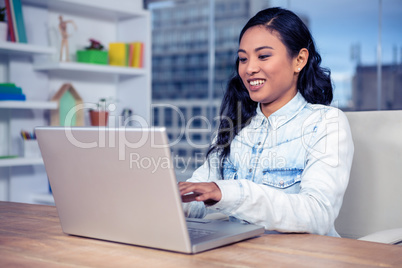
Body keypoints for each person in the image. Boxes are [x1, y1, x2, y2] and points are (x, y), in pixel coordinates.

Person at [179, 7, 354, 237]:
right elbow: (199, 194)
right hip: (243, 254)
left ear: (299, 60)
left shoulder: (326, 123)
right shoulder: (235, 125)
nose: (249, 68)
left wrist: (229, 193)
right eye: (243, 58)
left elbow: (317, 215)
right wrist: (168, 200)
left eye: (263, 56)